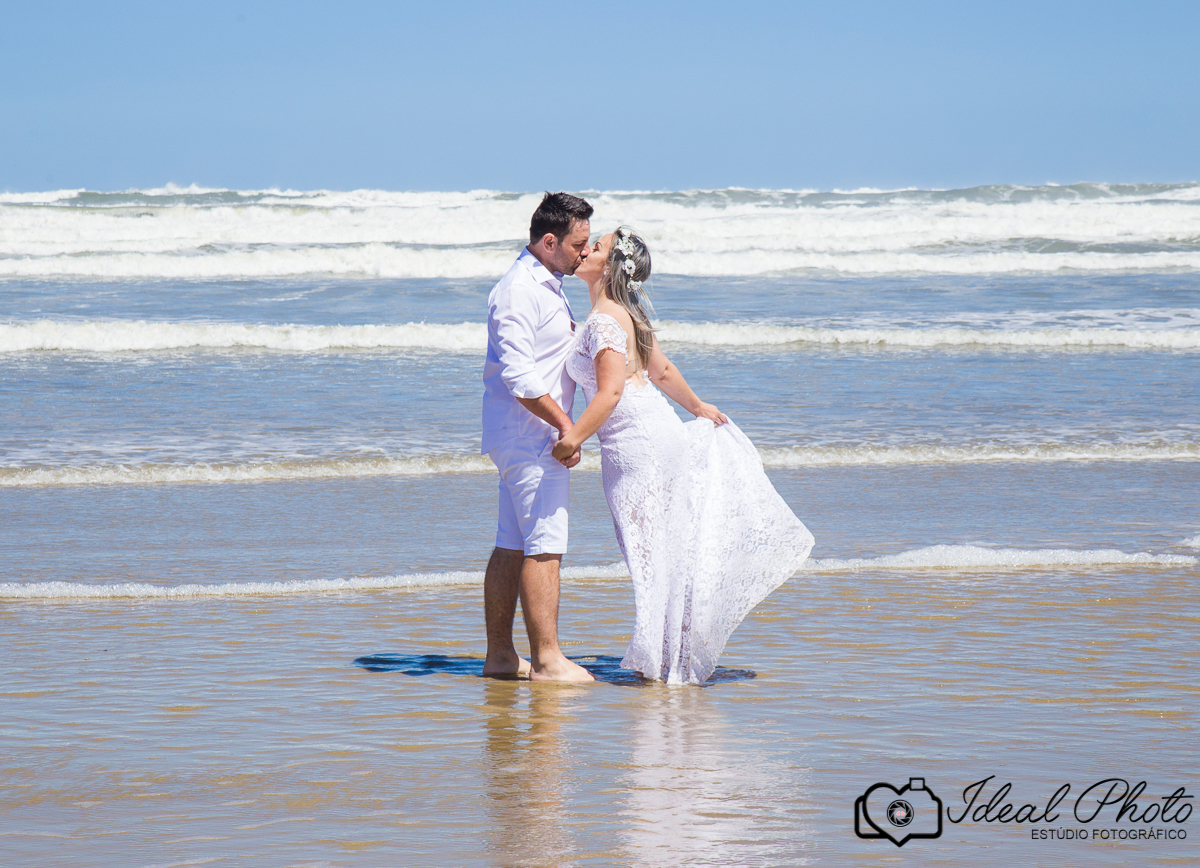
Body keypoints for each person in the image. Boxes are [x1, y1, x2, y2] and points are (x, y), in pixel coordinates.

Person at [552, 227, 814, 684]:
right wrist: (697, 407)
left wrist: (572, 438)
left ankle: (664, 661)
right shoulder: (621, 315)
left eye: (598, 246)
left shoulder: (603, 321)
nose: (587, 249)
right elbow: (661, 370)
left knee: (651, 555)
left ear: (611, 266)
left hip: (638, 449)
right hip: (659, 436)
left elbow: (611, 391)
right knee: (666, 553)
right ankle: (673, 654)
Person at [480, 192, 596, 682]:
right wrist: (566, 426)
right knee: (545, 544)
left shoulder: (547, 280)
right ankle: (547, 659)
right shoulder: (518, 289)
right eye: (578, 244)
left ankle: (502, 658)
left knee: (513, 544)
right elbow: (520, 377)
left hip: (523, 434)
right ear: (549, 242)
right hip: (530, 436)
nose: (585, 253)